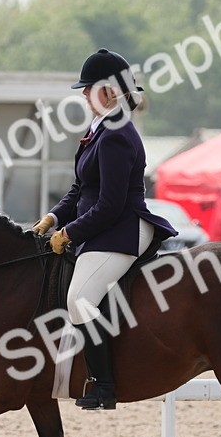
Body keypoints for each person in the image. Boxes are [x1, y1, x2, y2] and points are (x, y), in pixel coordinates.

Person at [32, 48, 177, 410]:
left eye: (89, 88)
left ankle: (103, 385)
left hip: (122, 228)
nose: (83, 94)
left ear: (110, 91)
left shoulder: (117, 135)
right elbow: (81, 190)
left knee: (79, 300)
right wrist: (52, 219)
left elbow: (110, 205)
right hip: (102, 227)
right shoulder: (97, 130)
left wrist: (68, 235)